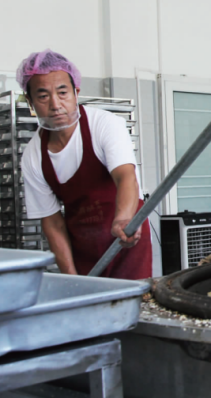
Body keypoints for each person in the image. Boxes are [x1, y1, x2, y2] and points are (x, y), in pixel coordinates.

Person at [17, 50, 151, 279]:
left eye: (62, 93)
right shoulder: (33, 155)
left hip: (127, 238)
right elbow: (52, 223)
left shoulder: (104, 125)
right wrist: (71, 278)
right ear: (30, 102)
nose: (56, 105)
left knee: (134, 298)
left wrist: (124, 219)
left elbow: (126, 177)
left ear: (76, 92)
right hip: (83, 246)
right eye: (43, 96)